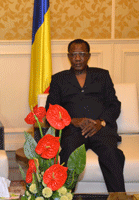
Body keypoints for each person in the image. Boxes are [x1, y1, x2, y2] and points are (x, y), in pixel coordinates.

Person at [45, 39, 125, 192]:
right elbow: (51, 109)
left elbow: (114, 105)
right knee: (68, 153)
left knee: (112, 154)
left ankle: (119, 196)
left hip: (99, 129)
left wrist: (100, 122)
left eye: (81, 54)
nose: (77, 58)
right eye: (74, 54)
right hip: (73, 130)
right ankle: (65, 195)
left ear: (88, 55)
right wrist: (72, 121)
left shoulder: (102, 75)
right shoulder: (58, 79)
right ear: (68, 56)